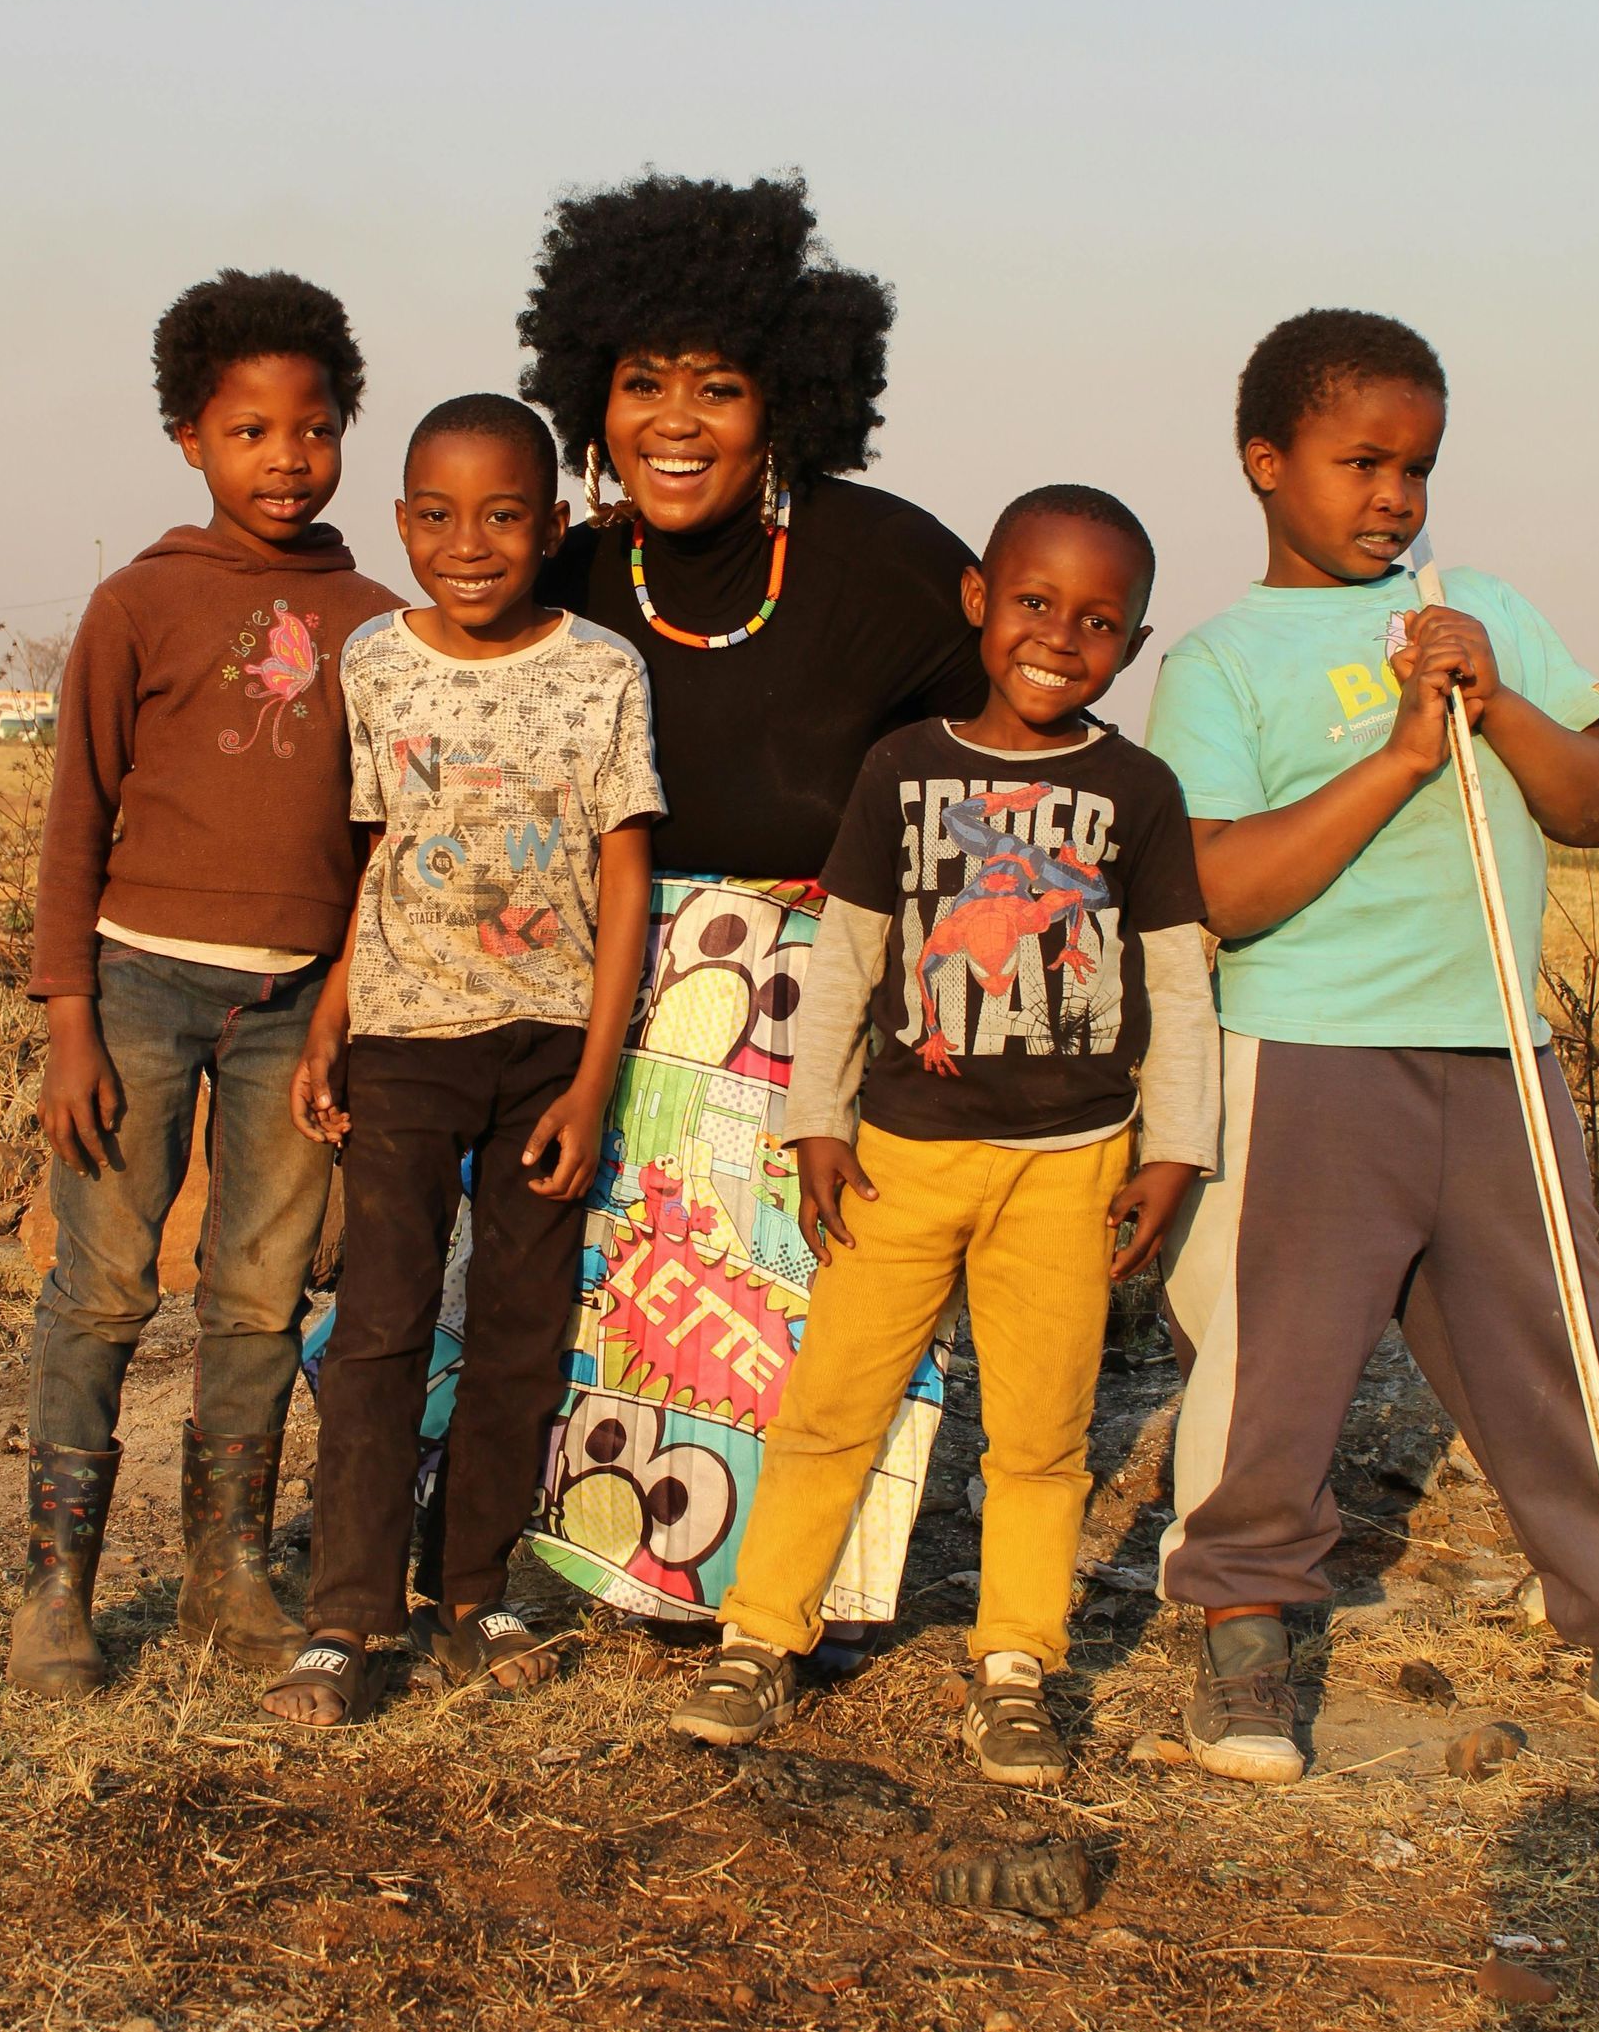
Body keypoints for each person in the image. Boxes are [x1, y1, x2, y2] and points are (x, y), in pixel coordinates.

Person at [1144, 306, 1599, 1783]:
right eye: (1361, 462)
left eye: (1419, 468)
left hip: (1500, 1053)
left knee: (1565, 1349)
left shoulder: (1483, 611)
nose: (1394, 496)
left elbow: (1596, 804)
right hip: (1308, 1058)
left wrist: (1492, 696)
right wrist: (1404, 752)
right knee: (1273, 1365)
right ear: (1266, 462)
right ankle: (1244, 1626)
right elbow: (1221, 888)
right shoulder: (1220, 662)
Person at [668, 486, 1220, 1780]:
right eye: (1034, 601)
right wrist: (818, 1120)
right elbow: (849, 959)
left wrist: (1174, 1149)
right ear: (979, 599)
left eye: (1099, 621)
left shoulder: (1137, 791)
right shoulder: (904, 770)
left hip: (1071, 1166)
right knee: (831, 1406)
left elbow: (1177, 979)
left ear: (1134, 644)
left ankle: (1017, 1666)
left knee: (1041, 1436)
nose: (1060, 637)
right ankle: (760, 1636)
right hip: (900, 1158)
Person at [511, 171, 988, 1632]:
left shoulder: (891, 565)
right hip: (610, 1005)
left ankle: (801, 1592)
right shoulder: (564, 575)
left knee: (815, 1309)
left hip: (818, 1020)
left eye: (718, 387)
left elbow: (1015, 749)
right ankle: (598, 1565)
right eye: (641, 382)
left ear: (786, 401)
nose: (675, 421)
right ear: (589, 396)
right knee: (608, 1306)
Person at [10, 269, 400, 1700]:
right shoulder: (139, 602)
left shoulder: (380, 622)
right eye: (249, 432)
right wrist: (68, 1019)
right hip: (138, 992)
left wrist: (344, 1010)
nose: (286, 458)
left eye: (314, 428)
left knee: (260, 1292)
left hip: (298, 1011)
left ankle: (226, 1575)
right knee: (105, 1286)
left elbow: (382, 842)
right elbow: (76, 816)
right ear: (189, 438)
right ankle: (56, 1589)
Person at [261, 396, 662, 1729]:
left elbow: (624, 870)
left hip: (548, 1050)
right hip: (406, 1042)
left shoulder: (603, 669)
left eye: (502, 516)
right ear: (401, 523)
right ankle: (347, 1616)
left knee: (518, 1332)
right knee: (378, 1328)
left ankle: (473, 1591)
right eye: (437, 516)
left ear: (551, 527)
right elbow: (375, 851)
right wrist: (332, 1017)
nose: (469, 544)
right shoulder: (373, 661)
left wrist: (595, 1080)